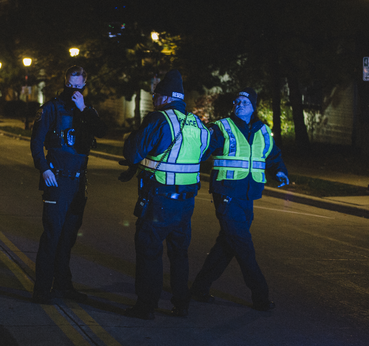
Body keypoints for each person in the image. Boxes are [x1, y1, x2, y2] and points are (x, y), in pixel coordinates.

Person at [119, 69, 211, 320]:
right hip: (186, 203)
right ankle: (181, 304)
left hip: (159, 200)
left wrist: (132, 137)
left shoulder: (159, 119)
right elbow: (200, 155)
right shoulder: (198, 125)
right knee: (179, 254)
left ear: (164, 97)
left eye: (155, 94)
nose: (153, 98)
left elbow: (133, 154)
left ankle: (146, 305)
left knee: (149, 252)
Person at [189, 87, 289, 311]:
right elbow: (203, 151)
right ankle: (260, 296)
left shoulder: (263, 130)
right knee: (244, 247)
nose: (239, 103)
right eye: (237, 101)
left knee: (227, 245)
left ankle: (199, 288)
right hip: (226, 195)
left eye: (245, 101)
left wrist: (280, 170)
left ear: (253, 106)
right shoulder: (221, 127)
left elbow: (272, 155)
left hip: (248, 197)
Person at [30, 65, 107, 304]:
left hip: (78, 181)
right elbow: (36, 142)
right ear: (65, 82)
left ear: (84, 85)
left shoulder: (86, 110)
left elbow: (101, 132)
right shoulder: (52, 108)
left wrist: (84, 110)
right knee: (53, 235)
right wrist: (44, 169)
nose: (73, 90)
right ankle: (42, 289)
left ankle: (63, 285)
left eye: (78, 86)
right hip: (57, 179)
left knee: (68, 237)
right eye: (70, 85)